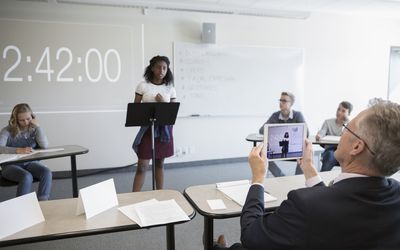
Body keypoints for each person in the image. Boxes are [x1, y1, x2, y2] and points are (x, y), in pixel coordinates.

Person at [214, 101, 400, 250]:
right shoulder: (396, 195)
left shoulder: (305, 204)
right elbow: (335, 206)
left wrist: (258, 179)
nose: (342, 132)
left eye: (346, 128)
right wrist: (309, 169)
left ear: (357, 147)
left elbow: (251, 236)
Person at [132, 56, 177, 192]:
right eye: (158, 67)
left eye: (164, 68)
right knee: (142, 165)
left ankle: (160, 194)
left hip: (164, 130)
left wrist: (164, 103)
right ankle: (134, 197)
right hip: (148, 129)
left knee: (160, 163)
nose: (161, 70)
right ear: (152, 68)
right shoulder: (143, 85)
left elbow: (173, 113)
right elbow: (136, 108)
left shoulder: (170, 88)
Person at [0, 103, 52, 201]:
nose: (26, 122)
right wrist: (17, 150)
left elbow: (45, 145)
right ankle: (21, 205)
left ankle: (43, 202)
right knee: (26, 176)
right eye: (22, 120)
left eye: (28, 118)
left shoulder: (34, 129)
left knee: (46, 172)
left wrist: (38, 127)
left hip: (30, 163)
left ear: (32, 117)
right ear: (15, 120)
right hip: (10, 166)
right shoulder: (6, 131)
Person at [259, 91, 308, 176]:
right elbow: (261, 130)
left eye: (284, 101)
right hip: (278, 147)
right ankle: (280, 176)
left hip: (293, 148)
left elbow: (306, 132)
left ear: (291, 103)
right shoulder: (275, 115)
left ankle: (297, 178)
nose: (281, 103)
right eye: (280, 100)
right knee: (261, 153)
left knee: (306, 151)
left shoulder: (298, 115)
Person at [316, 101, 352, 171]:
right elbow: (322, 132)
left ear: (349, 114)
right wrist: (319, 135)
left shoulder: (350, 124)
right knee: (330, 155)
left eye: (343, 111)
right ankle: (323, 177)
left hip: (344, 151)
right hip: (330, 150)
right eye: (338, 109)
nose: (339, 112)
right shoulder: (328, 122)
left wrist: (348, 122)